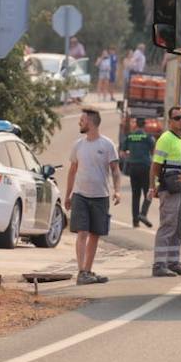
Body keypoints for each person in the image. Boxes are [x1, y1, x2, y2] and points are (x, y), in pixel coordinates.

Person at [65, 107, 123, 286]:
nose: (79, 123)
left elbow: (115, 170)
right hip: (80, 195)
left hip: (100, 196)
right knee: (82, 232)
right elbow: (72, 171)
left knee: (95, 234)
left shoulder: (107, 145)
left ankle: (88, 271)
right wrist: (68, 195)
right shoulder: (78, 145)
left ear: (90, 122)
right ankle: (81, 271)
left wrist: (117, 190)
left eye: (82, 120)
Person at [149, 105, 181, 277]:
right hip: (169, 189)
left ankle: (173, 263)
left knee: (177, 227)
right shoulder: (165, 139)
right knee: (167, 226)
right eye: (177, 118)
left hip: (180, 189)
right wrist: (154, 186)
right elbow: (155, 166)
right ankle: (159, 265)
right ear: (170, 121)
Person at [121, 117, 155, 228]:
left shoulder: (130, 136)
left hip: (133, 167)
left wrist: (129, 157)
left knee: (135, 195)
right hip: (145, 167)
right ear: (144, 125)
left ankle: (135, 221)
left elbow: (122, 152)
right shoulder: (148, 137)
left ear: (136, 125)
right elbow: (154, 151)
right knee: (148, 192)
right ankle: (143, 213)